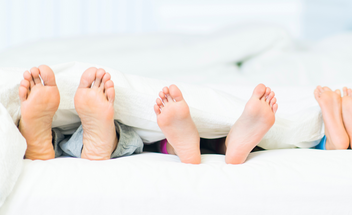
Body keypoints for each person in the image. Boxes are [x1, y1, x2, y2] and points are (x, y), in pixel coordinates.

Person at [17, 65, 278, 164]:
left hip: (158, 139)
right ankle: (229, 144)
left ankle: (42, 144)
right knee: (185, 140)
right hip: (168, 143)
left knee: (65, 137)